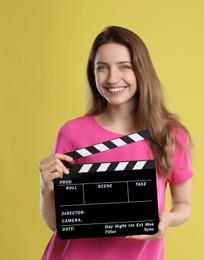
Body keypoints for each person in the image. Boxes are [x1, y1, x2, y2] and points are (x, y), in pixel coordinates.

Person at [39, 25, 193, 260]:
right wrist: (45, 189)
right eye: (102, 68)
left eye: (124, 67)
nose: (112, 78)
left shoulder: (168, 134)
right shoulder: (71, 133)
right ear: (93, 74)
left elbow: (183, 204)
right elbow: (56, 224)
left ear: (141, 71)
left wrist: (168, 219)